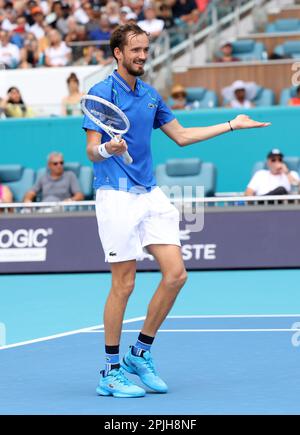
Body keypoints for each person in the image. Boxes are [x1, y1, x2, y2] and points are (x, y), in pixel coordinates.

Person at [83, 23, 270, 399]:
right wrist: (108, 150)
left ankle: (141, 352)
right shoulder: (101, 93)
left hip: (150, 194)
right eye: (135, 50)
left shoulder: (151, 95)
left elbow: (182, 136)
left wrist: (232, 124)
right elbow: (91, 149)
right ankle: (110, 371)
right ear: (118, 52)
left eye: (145, 50)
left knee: (176, 275)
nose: (142, 56)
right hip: (116, 195)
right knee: (125, 283)